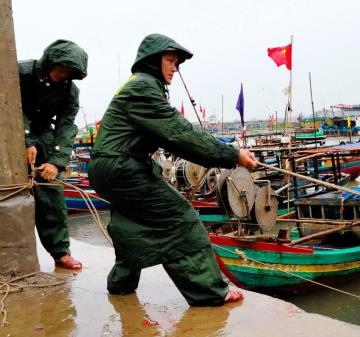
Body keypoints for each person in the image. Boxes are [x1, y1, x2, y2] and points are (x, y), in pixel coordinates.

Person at [88, 33, 257, 306]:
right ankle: (209, 291)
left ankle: (121, 283)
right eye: (170, 60)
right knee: (179, 217)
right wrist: (233, 154)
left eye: (177, 62)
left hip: (109, 167)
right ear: (153, 61)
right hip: (122, 166)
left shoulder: (140, 86)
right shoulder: (144, 87)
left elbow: (171, 136)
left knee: (129, 223)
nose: (175, 68)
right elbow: (179, 134)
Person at [20, 39, 88, 270]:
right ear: (50, 62)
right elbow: (9, 104)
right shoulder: (21, 72)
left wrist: (56, 162)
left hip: (44, 133)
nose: (63, 75)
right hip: (8, 126)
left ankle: (60, 252)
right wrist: (25, 139)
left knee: (52, 194)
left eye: (68, 72)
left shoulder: (70, 91)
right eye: (60, 69)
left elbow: (67, 125)